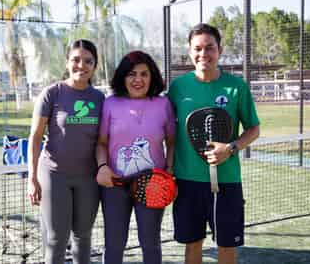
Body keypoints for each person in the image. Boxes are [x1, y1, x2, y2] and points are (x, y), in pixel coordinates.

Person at [167, 23, 260, 264]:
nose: (203, 54)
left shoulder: (237, 87)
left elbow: (254, 128)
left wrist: (231, 149)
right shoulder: (178, 87)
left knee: (227, 248)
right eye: (197, 48)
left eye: (209, 47)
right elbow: (169, 132)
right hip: (187, 183)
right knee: (192, 247)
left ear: (219, 50)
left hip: (226, 183)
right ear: (189, 51)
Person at [27, 39, 105, 264]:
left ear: (95, 65)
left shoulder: (100, 99)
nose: (81, 65)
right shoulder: (52, 93)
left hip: (88, 179)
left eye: (88, 61)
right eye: (76, 60)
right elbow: (34, 137)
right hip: (54, 175)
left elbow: (104, 140)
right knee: (56, 239)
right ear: (67, 62)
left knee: (83, 237)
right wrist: (32, 178)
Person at [95, 50, 176, 264]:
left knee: (150, 244)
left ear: (152, 77)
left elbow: (172, 141)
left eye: (144, 74)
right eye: (132, 74)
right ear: (123, 76)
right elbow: (101, 142)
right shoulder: (110, 103)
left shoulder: (163, 104)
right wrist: (103, 166)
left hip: (153, 185)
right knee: (114, 244)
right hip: (115, 184)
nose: (138, 79)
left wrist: (169, 168)